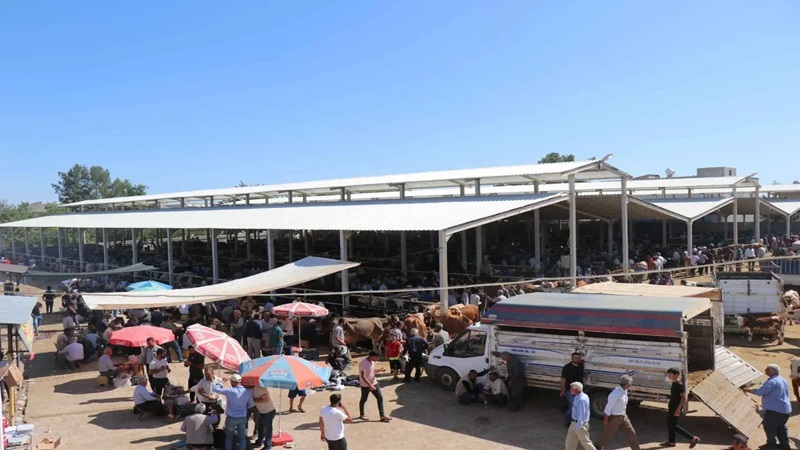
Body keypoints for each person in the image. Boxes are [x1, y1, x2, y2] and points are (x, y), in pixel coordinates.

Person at [743, 364, 791, 450]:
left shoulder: (772, 382)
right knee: (780, 427)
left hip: (775, 411)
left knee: (769, 427)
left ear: (772, 371)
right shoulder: (782, 379)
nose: (765, 370)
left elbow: (760, 392)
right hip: (785, 410)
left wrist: (747, 390)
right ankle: (785, 446)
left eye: (767, 369)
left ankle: (771, 445)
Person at [596, 375, 640, 450]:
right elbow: (609, 407)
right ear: (627, 384)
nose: (631, 385)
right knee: (607, 434)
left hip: (623, 416)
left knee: (631, 433)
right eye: (630, 384)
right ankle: (598, 446)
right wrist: (606, 419)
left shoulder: (625, 391)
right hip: (615, 418)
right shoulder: (616, 393)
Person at [212, 374, 254, 450]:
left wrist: (222, 382)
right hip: (242, 417)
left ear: (232, 382)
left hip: (231, 417)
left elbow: (215, 389)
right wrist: (244, 408)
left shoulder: (230, 391)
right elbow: (251, 404)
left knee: (229, 437)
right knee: (242, 437)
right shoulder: (248, 392)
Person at [661, 368, 699, 448]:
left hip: (675, 408)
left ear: (676, 375)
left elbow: (683, 398)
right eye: (668, 374)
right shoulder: (674, 383)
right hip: (672, 407)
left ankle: (692, 438)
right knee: (670, 423)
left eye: (670, 374)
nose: (669, 375)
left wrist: (678, 409)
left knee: (674, 425)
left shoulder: (679, 385)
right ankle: (671, 442)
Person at [358, 350, 391, 422]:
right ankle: (362, 414)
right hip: (365, 385)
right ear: (372, 356)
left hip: (374, 383)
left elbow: (372, 370)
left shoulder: (372, 362)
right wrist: (370, 385)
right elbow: (363, 376)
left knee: (380, 397)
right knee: (364, 399)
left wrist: (380, 370)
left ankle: (382, 416)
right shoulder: (363, 363)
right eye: (377, 357)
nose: (377, 359)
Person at [565, 382, 597, 450]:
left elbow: (581, 414)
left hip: (579, 424)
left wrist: (579, 426)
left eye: (571, 388)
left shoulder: (581, 400)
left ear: (576, 390)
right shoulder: (582, 396)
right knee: (570, 442)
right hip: (574, 423)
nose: (570, 390)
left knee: (585, 442)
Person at [561, 352, 585, 428]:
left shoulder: (581, 366)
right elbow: (563, 379)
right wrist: (562, 389)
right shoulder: (567, 367)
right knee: (571, 406)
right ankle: (567, 421)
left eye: (578, 358)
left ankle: (575, 421)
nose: (577, 359)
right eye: (575, 358)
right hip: (570, 390)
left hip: (579, 391)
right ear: (572, 359)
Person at [252, 384, 276, 450]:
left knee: (267, 430)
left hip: (268, 411)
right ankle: (259, 442)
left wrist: (254, 400)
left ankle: (268, 446)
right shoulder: (253, 389)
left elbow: (265, 399)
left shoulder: (259, 388)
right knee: (260, 428)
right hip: (262, 411)